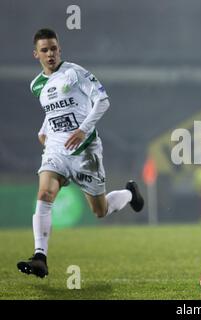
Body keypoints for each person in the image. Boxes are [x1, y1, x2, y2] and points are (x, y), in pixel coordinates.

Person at [17, 28, 144, 278]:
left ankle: (130, 193)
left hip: (86, 152)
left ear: (59, 49)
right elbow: (52, 111)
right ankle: (40, 257)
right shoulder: (36, 85)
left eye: (53, 48)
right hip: (56, 151)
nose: (50, 53)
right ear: (36, 55)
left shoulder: (75, 73)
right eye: (45, 50)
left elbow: (103, 101)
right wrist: (43, 130)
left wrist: (83, 130)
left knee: (100, 210)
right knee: (44, 193)